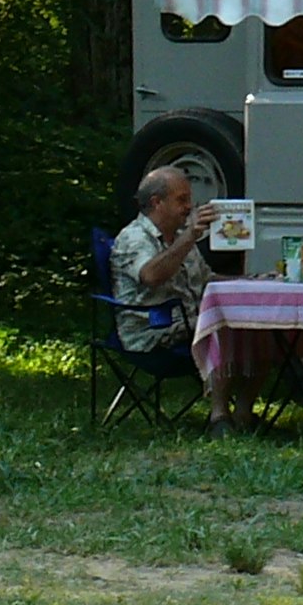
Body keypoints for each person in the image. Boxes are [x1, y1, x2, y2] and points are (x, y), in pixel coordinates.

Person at [111, 167, 263, 435]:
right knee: (220, 326)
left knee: (260, 325)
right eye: (182, 199)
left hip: (189, 323)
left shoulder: (179, 237)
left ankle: (243, 412)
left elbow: (207, 279)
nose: (189, 207)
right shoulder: (134, 237)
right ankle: (219, 417)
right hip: (152, 330)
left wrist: (252, 281)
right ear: (157, 202)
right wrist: (190, 236)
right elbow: (151, 275)